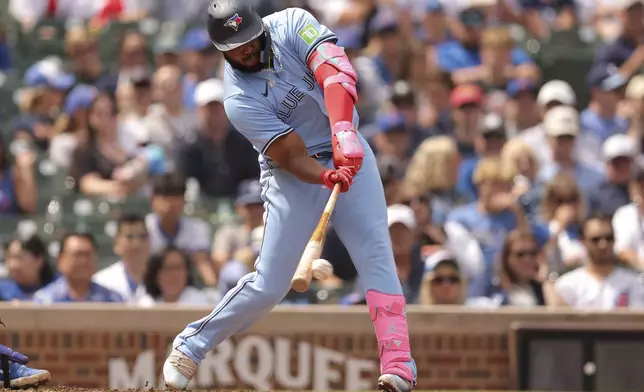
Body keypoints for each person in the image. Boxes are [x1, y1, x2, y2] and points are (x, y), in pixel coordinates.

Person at [162, 2, 417, 392]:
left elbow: (336, 73)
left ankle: (399, 364)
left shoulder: (291, 22)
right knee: (271, 283)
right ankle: (192, 344)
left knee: (375, 253)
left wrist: (344, 131)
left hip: (348, 143)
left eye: (248, 41)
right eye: (235, 48)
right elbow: (291, 154)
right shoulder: (237, 99)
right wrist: (327, 173)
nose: (245, 52)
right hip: (293, 175)